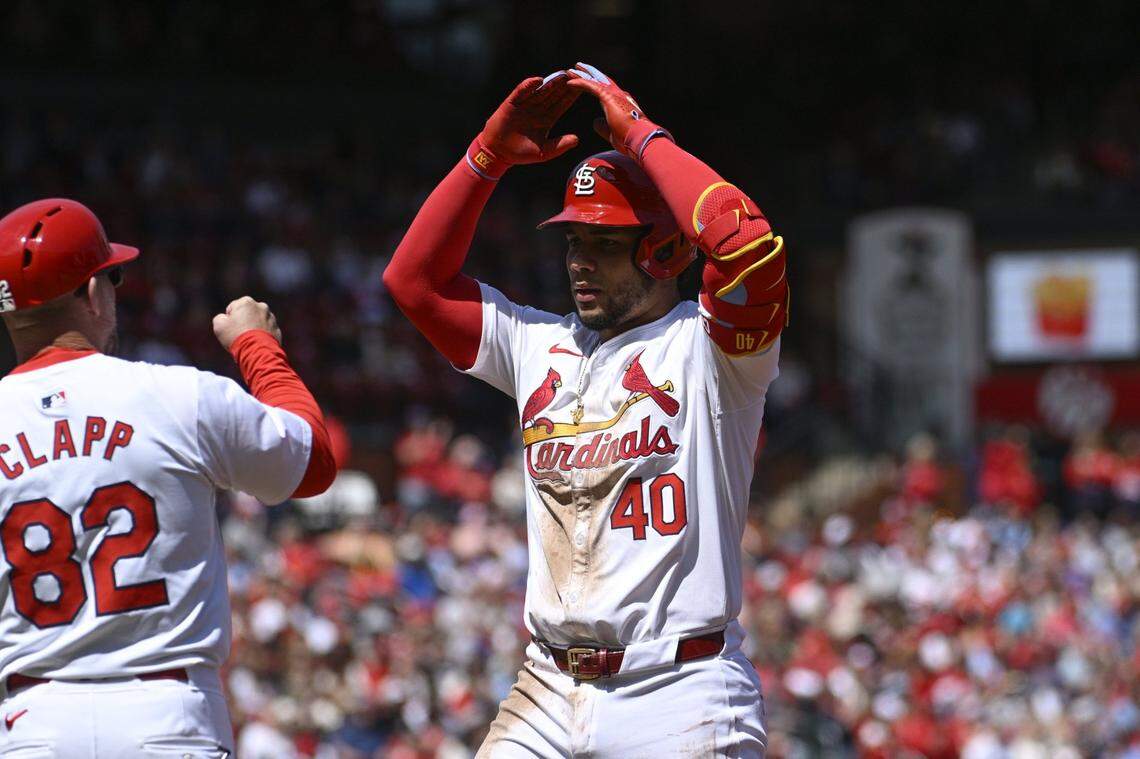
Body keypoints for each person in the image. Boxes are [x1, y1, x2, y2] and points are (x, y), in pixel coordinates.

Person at [384, 63, 789, 757]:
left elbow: (745, 243)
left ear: (663, 250)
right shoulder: (536, 343)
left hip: (678, 687)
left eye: (604, 243)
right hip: (547, 680)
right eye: (574, 240)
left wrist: (643, 137)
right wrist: (487, 155)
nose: (579, 261)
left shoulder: (713, 350)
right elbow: (413, 283)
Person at [0, 198, 336, 756]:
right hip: (166, 714)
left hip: (32, 723)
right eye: (113, 276)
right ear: (91, 293)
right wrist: (257, 346)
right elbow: (312, 462)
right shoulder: (178, 395)